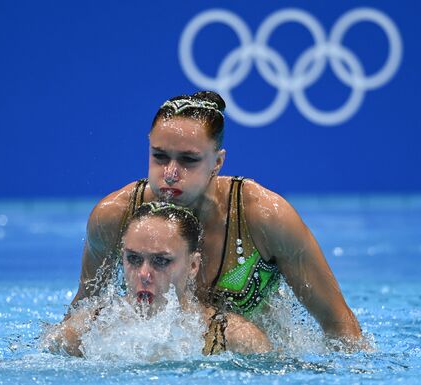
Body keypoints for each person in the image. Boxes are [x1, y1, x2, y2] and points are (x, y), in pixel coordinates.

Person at [73, 91, 363, 347]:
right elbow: (83, 316)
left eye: (188, 160)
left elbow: (339, 324)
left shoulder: (265, 218)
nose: (171, 173)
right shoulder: (115, 216)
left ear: (218, 162)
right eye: (159, 157)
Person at [52, 202, 272, 357]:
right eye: (134, 259)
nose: (144, 274)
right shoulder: (85, 329)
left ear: (193, 266)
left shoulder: (233, 338)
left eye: (161, 261)